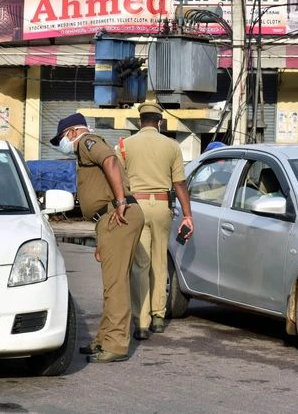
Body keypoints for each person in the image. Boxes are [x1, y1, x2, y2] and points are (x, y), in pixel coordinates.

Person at [50, 113, 144, 363]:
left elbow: (110, 160)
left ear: (71, 133)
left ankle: (115, 344)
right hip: (109, 219)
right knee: (112, 283)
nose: (62, 145)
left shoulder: (86, 142)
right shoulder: (83, 150)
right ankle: (104, 338)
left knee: (116, 284)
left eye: (61, 139)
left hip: (117, 215)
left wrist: (121, 201)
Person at [117, 104, 193, 340]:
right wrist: (188, 215)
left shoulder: (124, 146)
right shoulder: (172, 146)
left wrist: (119, 205)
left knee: (141, 264)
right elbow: (179, 184)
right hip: (162, 206)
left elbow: (117, 179)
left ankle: (141, 323)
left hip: (135, 206)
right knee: (160, 261)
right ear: (160, 122)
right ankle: (158, 317)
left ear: (140, 122)